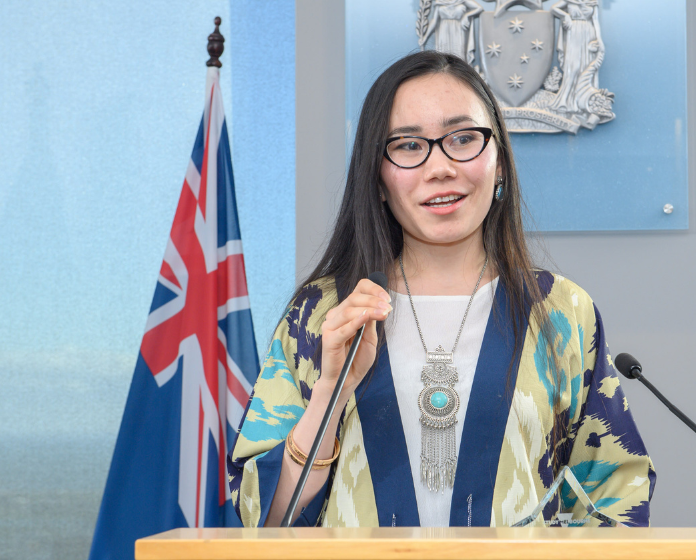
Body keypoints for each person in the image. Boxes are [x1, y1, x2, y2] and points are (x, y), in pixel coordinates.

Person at [228, 50, 654, 528]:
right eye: (409, 146)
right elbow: (262, 517)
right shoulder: (323, 313)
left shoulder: (560, 311)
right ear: (379, 179)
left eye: (463, 138)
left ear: (501, 165)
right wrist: (331, 388)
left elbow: (618, 498)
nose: (440, 167)